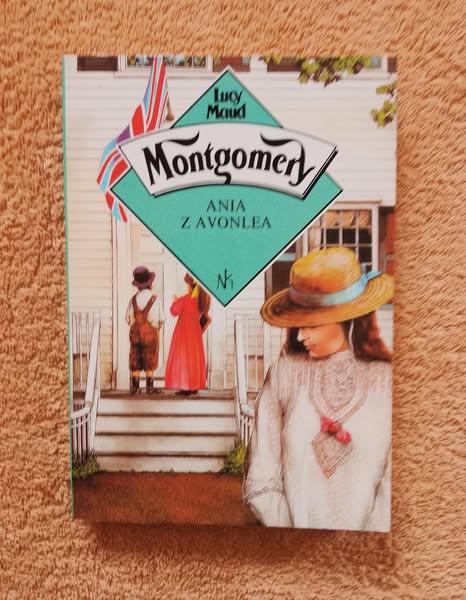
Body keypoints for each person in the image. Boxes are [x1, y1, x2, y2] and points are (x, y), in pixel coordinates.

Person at [243, 247, 394, 531]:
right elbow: (260, 482)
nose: (301, 335)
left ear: (346, 317)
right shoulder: (284, 375)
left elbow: (395, 490)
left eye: (312, 323)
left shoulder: (387, 382)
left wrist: (362, 548)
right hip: (293, 547)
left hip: (369, 552)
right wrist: (301, 542)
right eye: (298, 324)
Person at [164, 274, 210, 395]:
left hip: (183, 332)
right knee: (194, 358)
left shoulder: (185, 299)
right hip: (195, 333)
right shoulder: (201, 300)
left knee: (183, 358)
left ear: (191, 286)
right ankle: (194, 386)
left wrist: (175, 301)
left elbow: (174, 311)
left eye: (188, 285)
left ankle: (185, 386)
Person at [125, 266, 165, 395]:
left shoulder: (133, 300)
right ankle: (149, 388)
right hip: (150, 335)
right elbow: (161, 319)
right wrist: (154, 329)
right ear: (149, 283)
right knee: (150, 358)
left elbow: (128, 319)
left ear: (137, 285)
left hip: (135, 334)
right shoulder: (155, 299)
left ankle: (135, 388)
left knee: (135, 359)